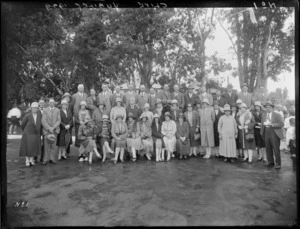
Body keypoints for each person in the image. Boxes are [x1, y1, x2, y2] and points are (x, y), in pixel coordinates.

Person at [260, 101, 284, 169]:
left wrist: (272, 124)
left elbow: (281, 124)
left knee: (276, 149)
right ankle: (270, 162)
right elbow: (262, 124)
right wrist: (262, 133)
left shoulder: (277, 115)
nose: (268, 109)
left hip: (274, 132)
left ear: (272, 108)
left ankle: (278, 164)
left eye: (269, 107)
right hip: (266, 132)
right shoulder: (263, 115)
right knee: (268, 148)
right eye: (266, 107)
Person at [19, 102, 42, 167]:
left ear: (37, 108)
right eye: (33, 108)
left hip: (36, 134)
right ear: (31, 108)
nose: (35, 109)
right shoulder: (27, 116)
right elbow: (22, 124)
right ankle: (27, 160)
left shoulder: (39, 115)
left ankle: (31, 160)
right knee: (28, 148)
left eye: (36, 108)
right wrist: (26, 131)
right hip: (28, 134)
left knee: (34, 148)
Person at [41, 98, 61, 165]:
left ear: (54, 103)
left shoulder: (57, 110)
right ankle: (45, 159)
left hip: (55, 130)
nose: (51, 103)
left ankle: (52, 159)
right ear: (48, 103)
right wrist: (49, 128)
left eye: (53, 102)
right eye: (50, 102)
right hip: (47, 130)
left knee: (53, 146)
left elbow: (59, 120)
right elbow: (43, 120)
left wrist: (53, 127)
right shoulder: (45, 110)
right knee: (46, 146)